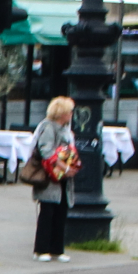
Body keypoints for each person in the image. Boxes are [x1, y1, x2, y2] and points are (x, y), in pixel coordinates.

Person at [30, 94, 79, 261]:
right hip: (49, 177)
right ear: (62, 112)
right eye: (69, 111)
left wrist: (72, 166)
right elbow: (46, 151)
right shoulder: (48, 127)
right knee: (47, 212)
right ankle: (41, 249)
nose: (72, 114)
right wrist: (64, 167)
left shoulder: (67, 130)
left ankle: (57, 249)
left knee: (61, 212)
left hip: (63, 178)